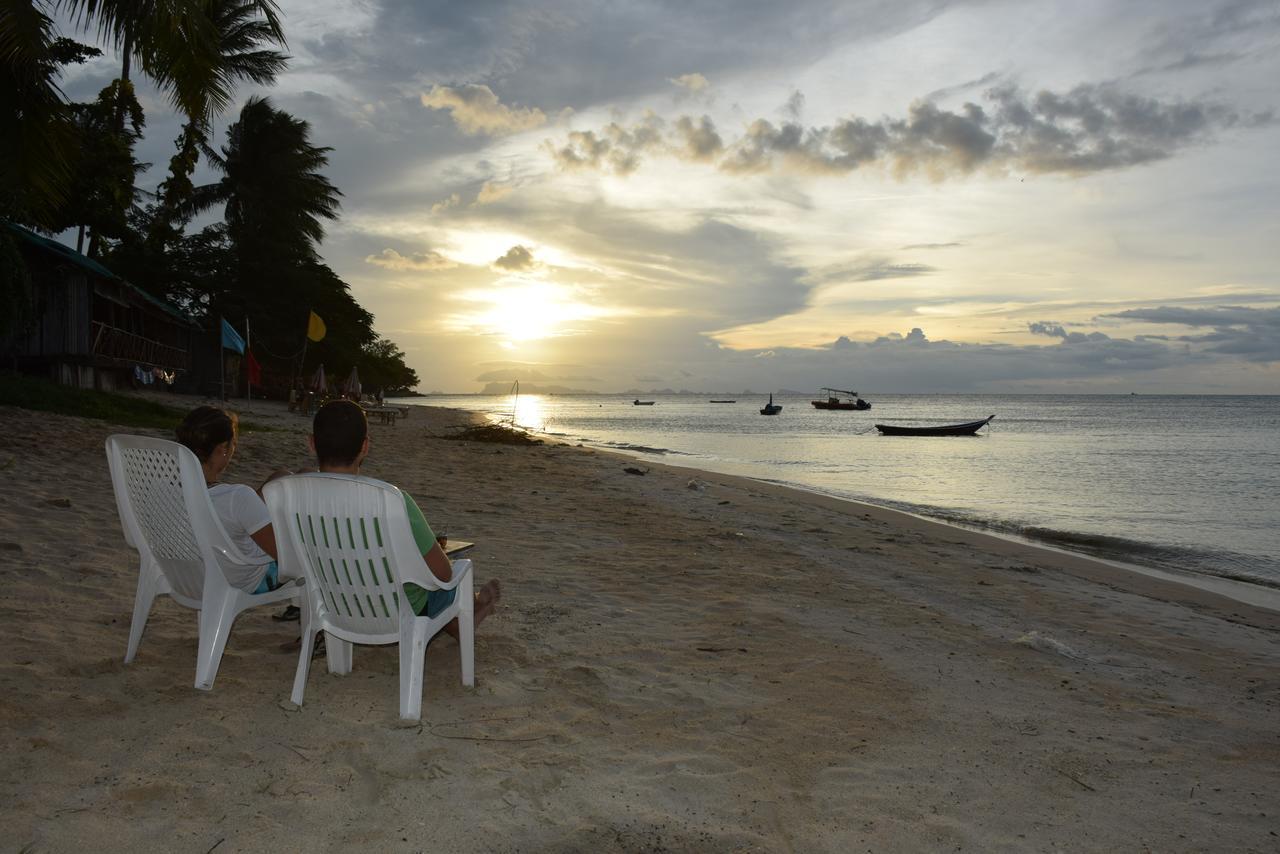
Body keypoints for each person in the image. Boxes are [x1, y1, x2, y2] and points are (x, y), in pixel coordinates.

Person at [309, 400, 501, 633]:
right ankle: (471, 611)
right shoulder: (394, 502)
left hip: (334, 607)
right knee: (456, 576)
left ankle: (468, 614)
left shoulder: (291, 499)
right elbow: (443, 573)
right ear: (365, 447)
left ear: (311, 444)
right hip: (398, 612)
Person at [176, 406, 285, 594]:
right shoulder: (237, 497)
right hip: (243, 581)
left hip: (184, 578)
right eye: (233, 444)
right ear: (223, 449)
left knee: (281, 478)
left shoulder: (163, 490)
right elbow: (286, 556)